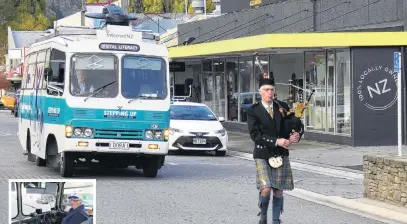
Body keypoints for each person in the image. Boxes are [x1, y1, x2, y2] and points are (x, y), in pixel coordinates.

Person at [246, 77, 303, 224]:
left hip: (280, 154)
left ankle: (276, 220)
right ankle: (263, 216)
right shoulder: (253, 111)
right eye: (266, 90)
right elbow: (255, 135)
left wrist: (296, 134)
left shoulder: (282, 107)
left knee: (278, 190)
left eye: (271, 89)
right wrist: (277, 141)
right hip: (263, 153)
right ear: (260, 92)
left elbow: (295, 124)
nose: (269, 93)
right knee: (266, 187)